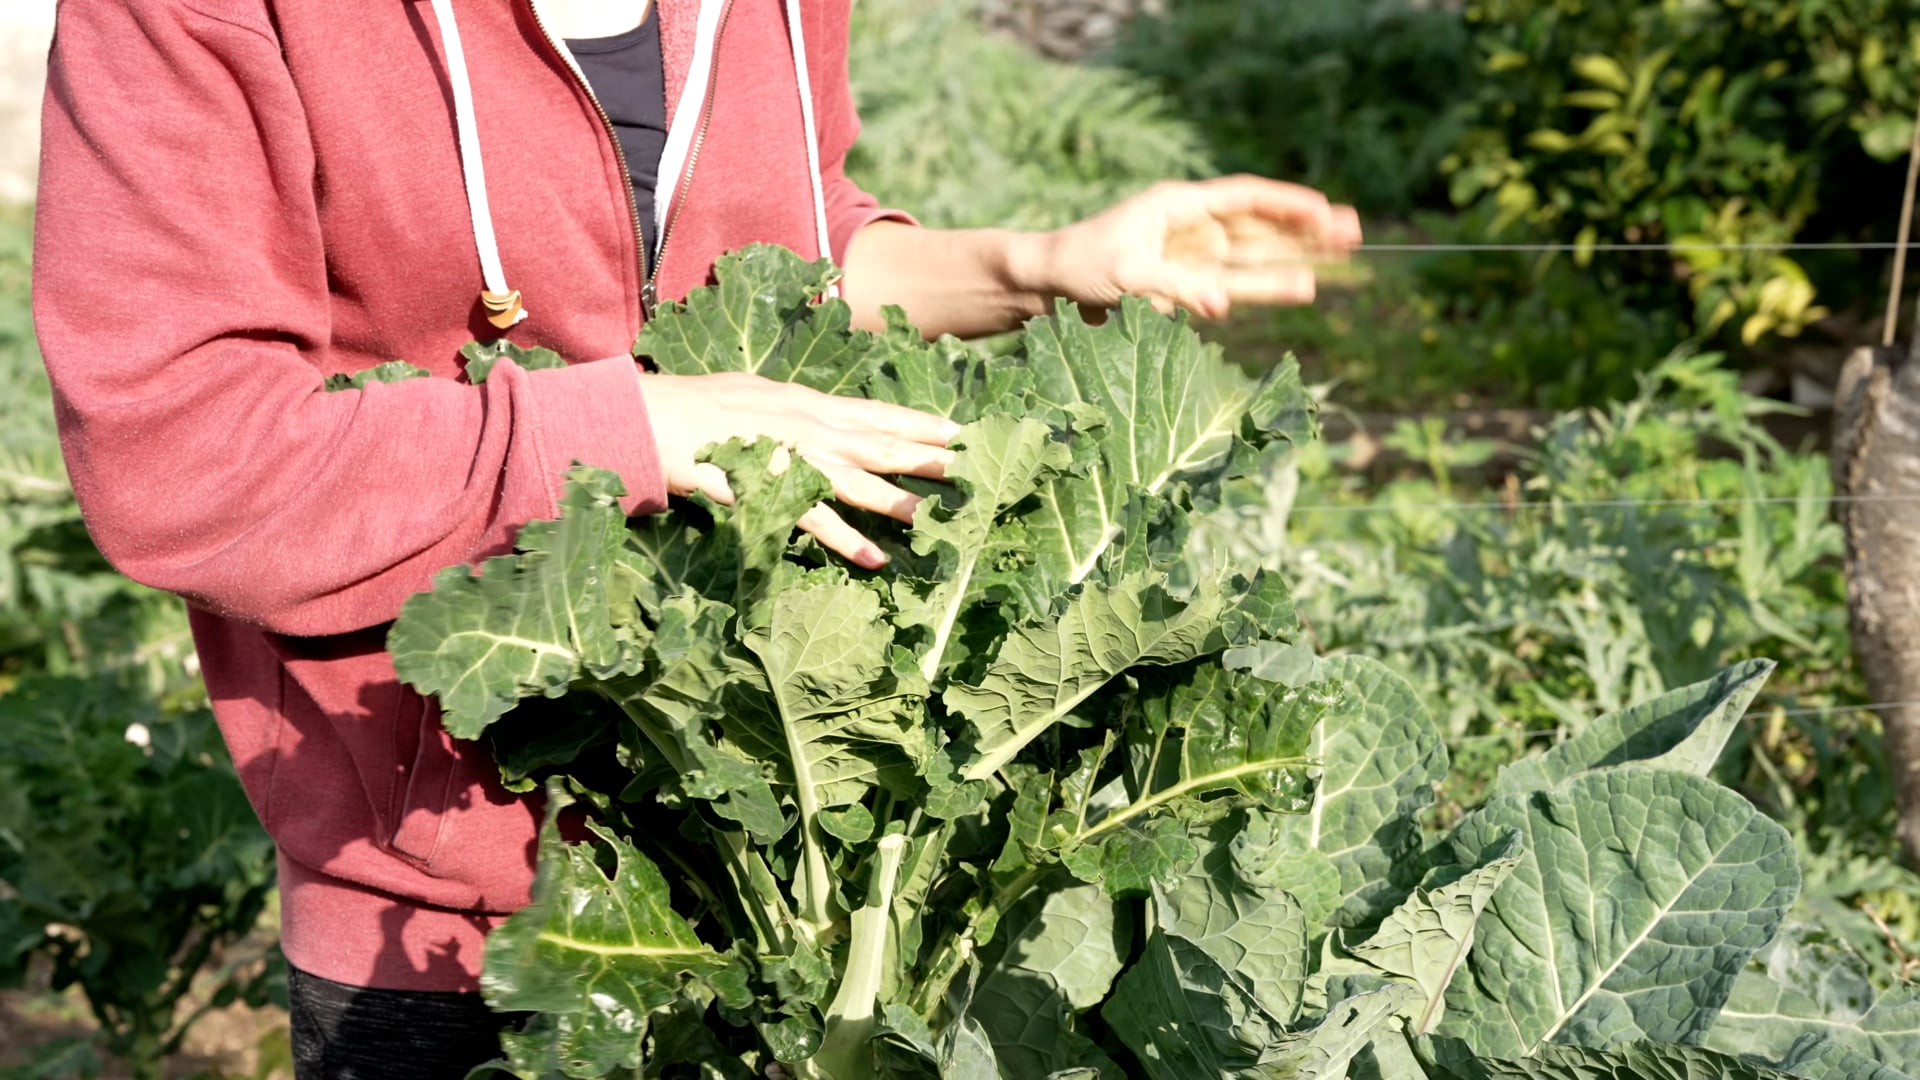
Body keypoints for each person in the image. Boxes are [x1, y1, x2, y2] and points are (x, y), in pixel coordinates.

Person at [32, 0, 1360, 1075]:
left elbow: (781, 257)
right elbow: (180, 459)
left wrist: (1034, 267)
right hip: (448, 886)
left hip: (782, 877)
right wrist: (630, 433)